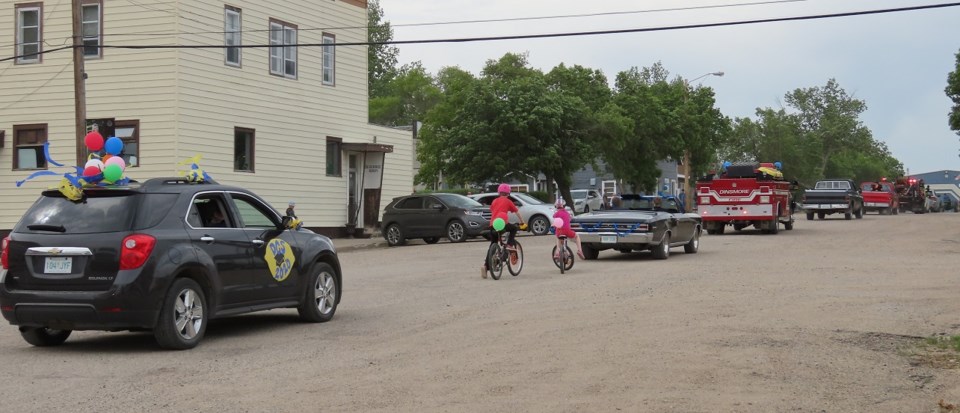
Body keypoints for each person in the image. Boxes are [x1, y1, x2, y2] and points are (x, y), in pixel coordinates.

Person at [481, 183, 526, 278]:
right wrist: (522, 222)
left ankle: (485, 266)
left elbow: (493, 210)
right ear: (508, 193)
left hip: (493, 224)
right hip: (503, 223)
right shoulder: (508, 201)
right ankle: (509, 244)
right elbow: (517, 212)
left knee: (493, 243)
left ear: (499, 192)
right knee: (513, 228)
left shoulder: (494, 201)